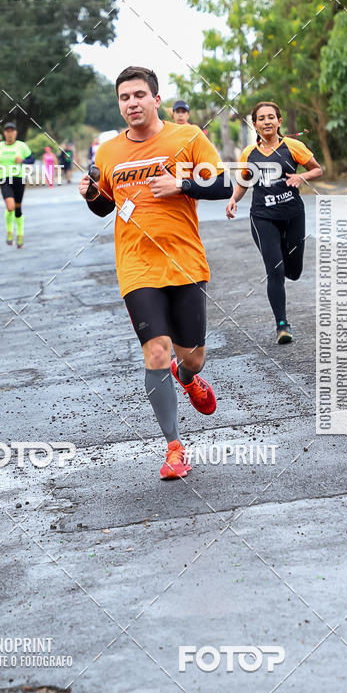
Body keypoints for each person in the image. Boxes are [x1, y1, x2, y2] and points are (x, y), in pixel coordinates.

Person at [79, 65, 232, 481]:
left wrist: (182, 186)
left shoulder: (187, 138)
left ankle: (188, 379)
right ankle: (174, 447)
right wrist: (92, 194)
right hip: (136, 266)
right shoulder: (108, 152)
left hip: (185, 262)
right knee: (156, 351)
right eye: (125, 97)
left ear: (156, 99)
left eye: (139, 95)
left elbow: (221, 184)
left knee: (191, 357)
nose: (132, 103)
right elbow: (105, 206)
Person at [226, 101, 323, 343]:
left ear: (279, 121)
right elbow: (244, 181)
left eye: (271, 117)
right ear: (255, 124)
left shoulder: (293, 146)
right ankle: (282, 325)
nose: (267, 121)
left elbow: (317, 170)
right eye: (261, 118)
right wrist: (233, 200)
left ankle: (287, 262)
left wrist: (301, 175)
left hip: (292, 215)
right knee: (275, 271)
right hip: (263, 217)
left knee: (294, 271)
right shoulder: (250, 153)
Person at [0, 122, 34, 248]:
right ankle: (9, 231)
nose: (9, 133)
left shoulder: (22, 146)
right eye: (7, 131)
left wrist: (23, 160)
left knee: (17, 209)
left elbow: (32, 159)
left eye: (12, 131)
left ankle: (20, 236)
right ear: (4, 133)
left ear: (15, 132)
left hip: (19, 179)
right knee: (10, 206)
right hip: (5, 179)